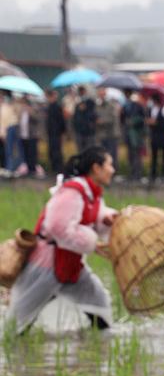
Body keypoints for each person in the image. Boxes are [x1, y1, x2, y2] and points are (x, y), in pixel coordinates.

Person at [7, 146, 119, 335]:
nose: (113, 170)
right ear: (96, 168)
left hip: (69, 264)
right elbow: (57, 227)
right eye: (109, 164)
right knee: (16, 325)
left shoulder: (91, 193)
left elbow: (91, 216)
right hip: (46, 266)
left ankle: (100, 344)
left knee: (98, 303)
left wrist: (106, 220)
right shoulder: (72, 191)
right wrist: (93, 243)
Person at [122, 90, 147, 181]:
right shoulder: (125, 106)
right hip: (129, 135)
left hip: (137, 136)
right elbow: (123, 119)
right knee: (130, 155)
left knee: (137, 156)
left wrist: (133, 121)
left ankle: (137, 174)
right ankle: (132, 173)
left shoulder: (139, 107)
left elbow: (143, 120)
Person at [94, 87, 122, 170]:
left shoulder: (111, 104)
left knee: (112, 154)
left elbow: (113, 118)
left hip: (111, 134)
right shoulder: (97, 105)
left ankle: (114, 171)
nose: (101, 94)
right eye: (100, 93)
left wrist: (102, 121)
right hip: (102, 134)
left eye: (102, 92)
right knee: (103, 155)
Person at [147, 96, 164, 183]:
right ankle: (153, 174)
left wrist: (156, 123)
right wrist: (150, 122)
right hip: (154, 136)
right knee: (154, 156)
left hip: (162, 136)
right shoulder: (150, 110)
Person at [18, 97, 45, 178]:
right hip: (23, 135)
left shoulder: (33, 110)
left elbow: (37, 119)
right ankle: (28, 169)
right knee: (26, 153)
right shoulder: (22, 111)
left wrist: (30, 111)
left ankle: (33, 170)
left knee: (32, 153)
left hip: (31, 135)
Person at [44, 89, 66, 175]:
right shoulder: (49, 107)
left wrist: (62, 132)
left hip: (56, 133)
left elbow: (61, 121)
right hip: (51, 133)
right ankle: (53, 168)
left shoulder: (57, 107)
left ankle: (58, 169)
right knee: (52, 151)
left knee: (57, 151)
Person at [1, 91, 22, 175]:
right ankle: (9, 168)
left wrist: (15, 102)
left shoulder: (11, 105)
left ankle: (17, 168)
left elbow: (18, 113)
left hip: (14, 127)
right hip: (7, 129)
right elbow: (2, 121)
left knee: (17, 149)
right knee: (8, 150)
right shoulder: (3, 107)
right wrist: (3, 133)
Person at [71, 86, 97, 153]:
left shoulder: (90, 102)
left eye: (82, 91)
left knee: (90, 150)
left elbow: (93, 115)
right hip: (79, 131)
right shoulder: (77, 103)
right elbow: (75, 117)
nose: (81, 92)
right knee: (81, 150)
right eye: (80, 91)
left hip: (89, 131)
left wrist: (85, 109)